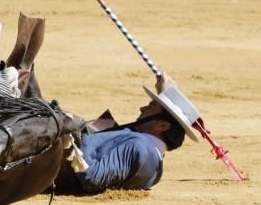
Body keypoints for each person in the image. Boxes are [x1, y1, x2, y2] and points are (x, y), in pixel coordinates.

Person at [56, 73, 196, 194]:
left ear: (162, 125)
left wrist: (73, 133)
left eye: (151, 107)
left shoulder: (140, 146)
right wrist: (166, 94)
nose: (142, 109)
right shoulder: (154, 165)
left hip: (52, 165)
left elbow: (92, 177)